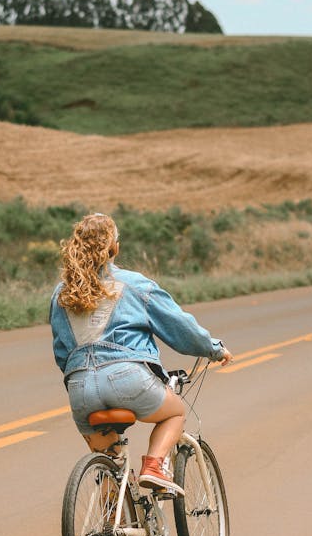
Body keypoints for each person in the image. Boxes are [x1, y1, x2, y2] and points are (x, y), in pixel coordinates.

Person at [49, 212, 233, 494]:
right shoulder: (135, 284)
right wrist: (213, 349)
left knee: (111, 465)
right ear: (114, 247)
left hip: (80, 387)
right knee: (175, 413)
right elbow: (180, 327)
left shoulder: (61, 293)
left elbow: (62, 352)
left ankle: (112, 523)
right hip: (127, 379)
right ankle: (154, 467)